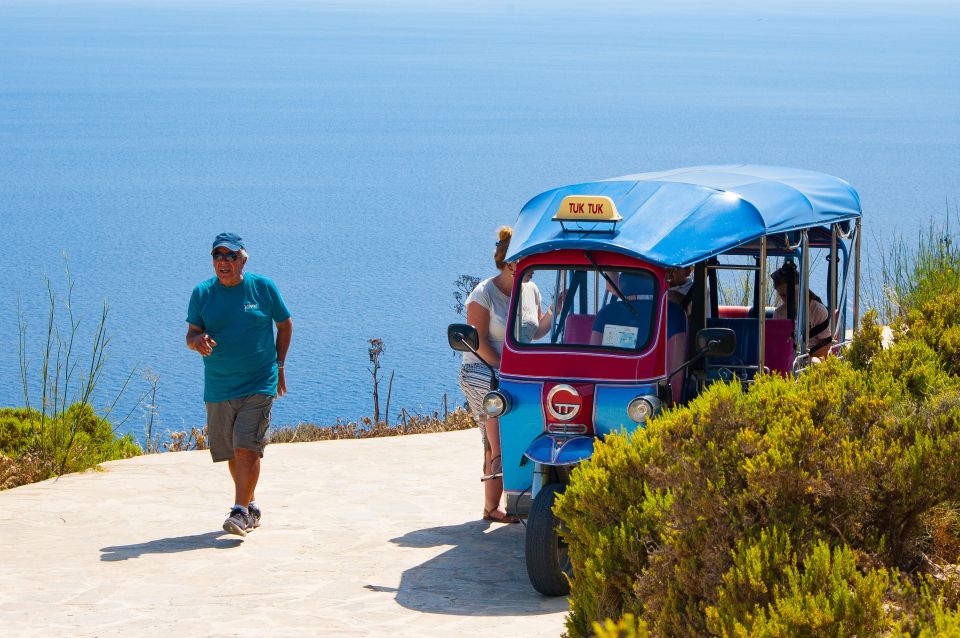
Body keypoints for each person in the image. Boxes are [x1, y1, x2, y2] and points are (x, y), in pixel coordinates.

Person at [186, 232, 293, 536]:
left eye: (230, 256)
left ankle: (239, 511)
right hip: (219, 386)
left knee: (248, 447)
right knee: (232, 452)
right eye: (217, 256)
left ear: (243, 259)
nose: (223, 261)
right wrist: (198, 341)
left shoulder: (263, 288)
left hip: (260, 381)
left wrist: (280, 365)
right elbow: (191, 335)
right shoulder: (202, 294)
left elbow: (284, 324)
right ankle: (251, 504)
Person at [459, 226, 551, 524]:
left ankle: (512, 493)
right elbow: (477, 341)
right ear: (511, 262)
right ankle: (493, 505)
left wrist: (558, 307)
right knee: (496, 435)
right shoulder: (483, 294)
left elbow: (535, 331)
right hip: (482, 370)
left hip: (514, 372)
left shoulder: (531, 291)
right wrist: (503, 368)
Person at [770, 265, 832, 359]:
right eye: (783, 295)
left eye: (792, 293)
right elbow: (776, 343)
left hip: (813, 356)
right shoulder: (779, 313)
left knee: (815, 362)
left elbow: (825, 345)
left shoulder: (818, 310)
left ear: (802, 289)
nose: (788, 299)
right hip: (787, 357)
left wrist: (805, 359)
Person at [590, 272, 654, 348]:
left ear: (622, 283)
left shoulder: (607, 312)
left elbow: (594, 348)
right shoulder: (663, 311)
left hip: (612, 359)